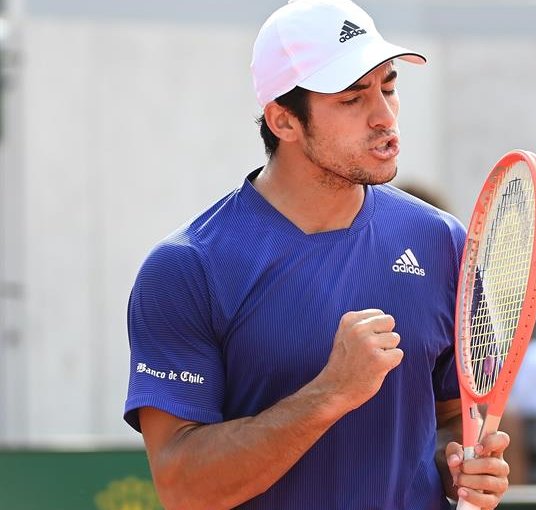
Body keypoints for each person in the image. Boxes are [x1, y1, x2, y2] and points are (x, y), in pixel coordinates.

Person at [123, 1, 511, 508]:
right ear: (284, 121)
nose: (385, 117)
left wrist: (460, 468)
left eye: (388, 87)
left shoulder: (442, 239)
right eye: (353, 99)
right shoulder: (188, 267)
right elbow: (183, 485)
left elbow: (451, 419)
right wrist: (329, 394)